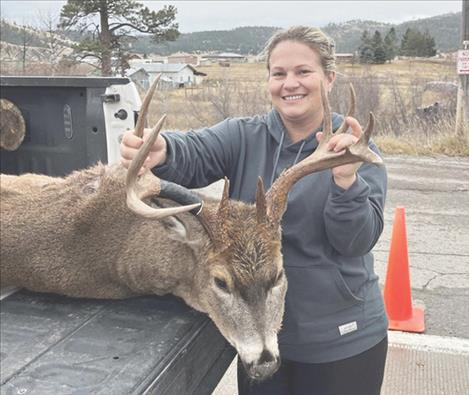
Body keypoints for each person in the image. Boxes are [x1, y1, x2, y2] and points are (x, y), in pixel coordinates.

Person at [120, 26, 388, 395]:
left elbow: (356, 241)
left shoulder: (353, 150)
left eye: (303, 72)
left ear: (329, 77)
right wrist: (163, 150)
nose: (289, 83)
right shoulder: (244, 135)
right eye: (278, 74)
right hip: (253, 333)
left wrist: (346, 182)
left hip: (341, 340)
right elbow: (196, 150)